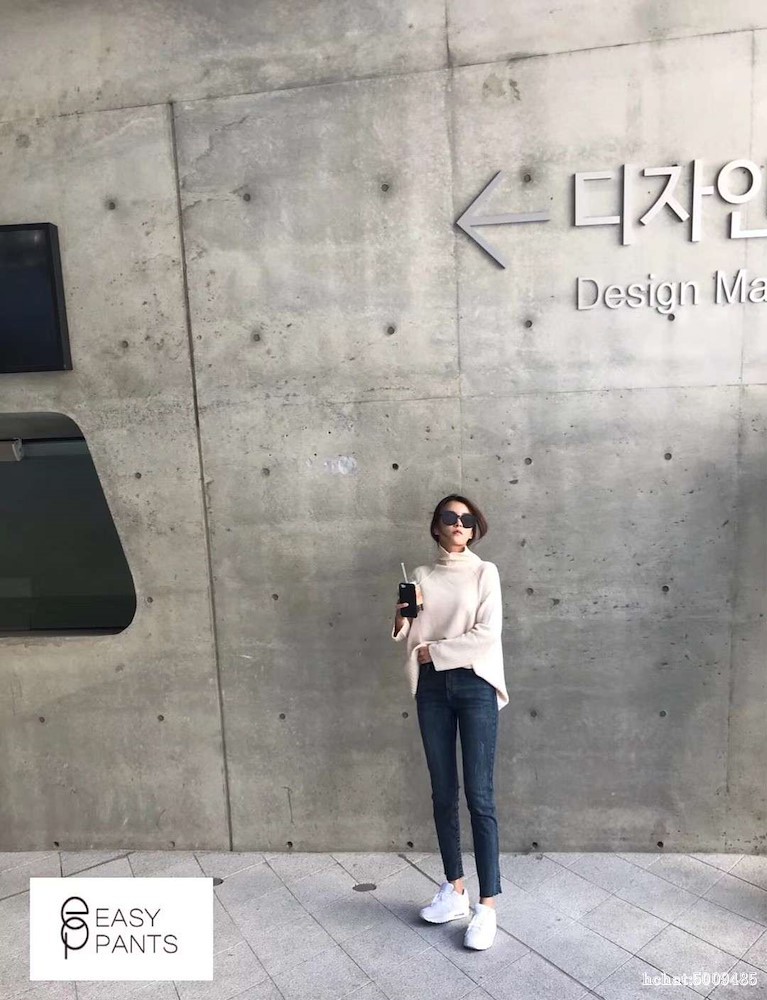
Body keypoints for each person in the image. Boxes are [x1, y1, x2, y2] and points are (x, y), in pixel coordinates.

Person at [391, 494, 508, 951]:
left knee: (480, 795)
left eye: (466, 519)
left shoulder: (485, 572)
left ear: (474, 529)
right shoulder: (420, 576)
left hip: (475, 684)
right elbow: (409, 635)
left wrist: (435, 652)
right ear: (437, 526)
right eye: (449, 517)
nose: (458, 524)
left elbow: (487, 634)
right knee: (442, 791)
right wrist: (403, 615)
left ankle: (487, 906)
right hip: (433, 689)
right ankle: (455, 890)